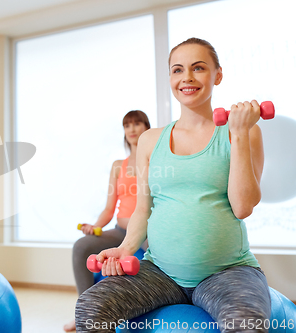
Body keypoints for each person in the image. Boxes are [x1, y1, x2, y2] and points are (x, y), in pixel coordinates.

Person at [74, 38, 271, 333]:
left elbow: (243, 207)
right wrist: (125, 248)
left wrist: (240, 132)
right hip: (160, 272)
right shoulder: (150, 140)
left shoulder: (243, 132)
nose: (187, 78)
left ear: (218, 75)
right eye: (177, 70)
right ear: (170, 78)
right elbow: (143, 209)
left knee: (246, 322)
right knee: (90, 309)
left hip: (226, 272)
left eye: (199, 68)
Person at [64, 110, 151, 332]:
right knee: (81, 246)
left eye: (137, 124)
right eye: (127, 125)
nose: (131, 129)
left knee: (159, 259)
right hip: (120, 230)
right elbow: (109, 207)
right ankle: (83, 311)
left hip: (146, 231)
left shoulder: (155, 160)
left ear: (146, 127)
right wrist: (96, 227)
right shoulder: (117, 166)